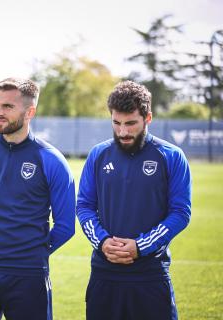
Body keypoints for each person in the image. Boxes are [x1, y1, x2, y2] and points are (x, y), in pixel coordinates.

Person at [0, 77, 75, 320]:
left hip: (28, 276)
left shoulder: (51, 160)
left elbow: (66, 226)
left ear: (30, 112)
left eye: (8, 107)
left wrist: (32, 252)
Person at [77, 80, 191, 320]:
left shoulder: (171, 156)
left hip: (150, 275)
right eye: (116, 123)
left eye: (131, 123)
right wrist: (102, 241)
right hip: (104, 274)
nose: (123, 132)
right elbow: (84, 205)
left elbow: (180, 213)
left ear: (147, 118)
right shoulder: (98, 155)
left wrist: (141, 246)